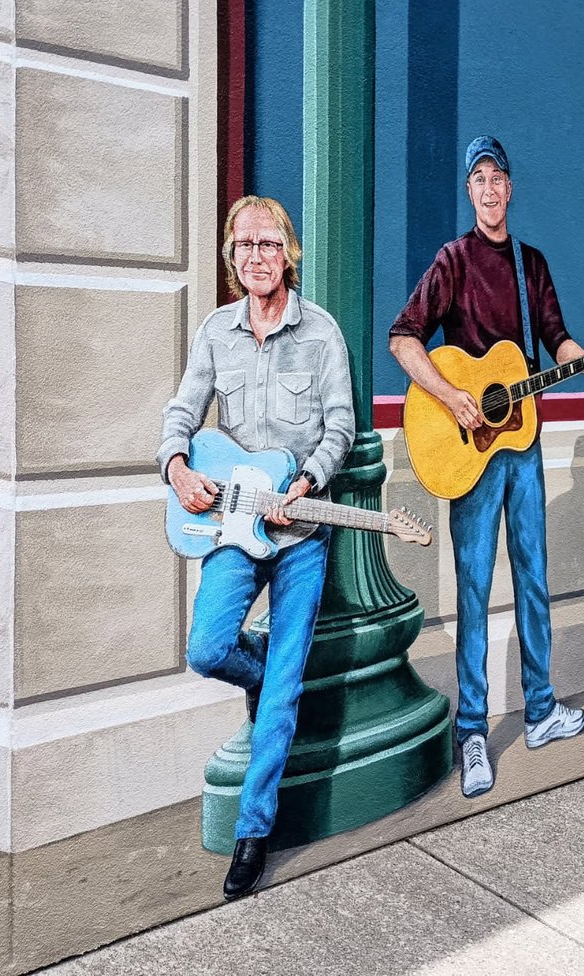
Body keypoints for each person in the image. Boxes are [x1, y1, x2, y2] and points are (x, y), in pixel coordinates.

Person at [389, 135, 584, 798]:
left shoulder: (530, 264)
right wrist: (453, 396)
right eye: (478, 179)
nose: (489, 190)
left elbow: (556, 339)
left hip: (522, 447)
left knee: (534, 578)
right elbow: (404, 337)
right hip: (470, 451)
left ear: (511, 188)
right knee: (472, 590)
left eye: (499, 179)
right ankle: (472, 734)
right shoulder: (453, 260)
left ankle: (541, 710)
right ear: (470, 190)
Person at [158, 195, 355, 899]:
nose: (256, 258)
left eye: (268, 245)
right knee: (209, 648)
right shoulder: (216, 332)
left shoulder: (322, 333)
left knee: (279, 704)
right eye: (244, 247)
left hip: (298, 528)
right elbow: (183, 412)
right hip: (236, 524)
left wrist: (310, 477)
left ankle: (253, 832)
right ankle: (271, 671)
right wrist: (178, 467)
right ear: (231, 257)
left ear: (288, 252)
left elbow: (341, 426)